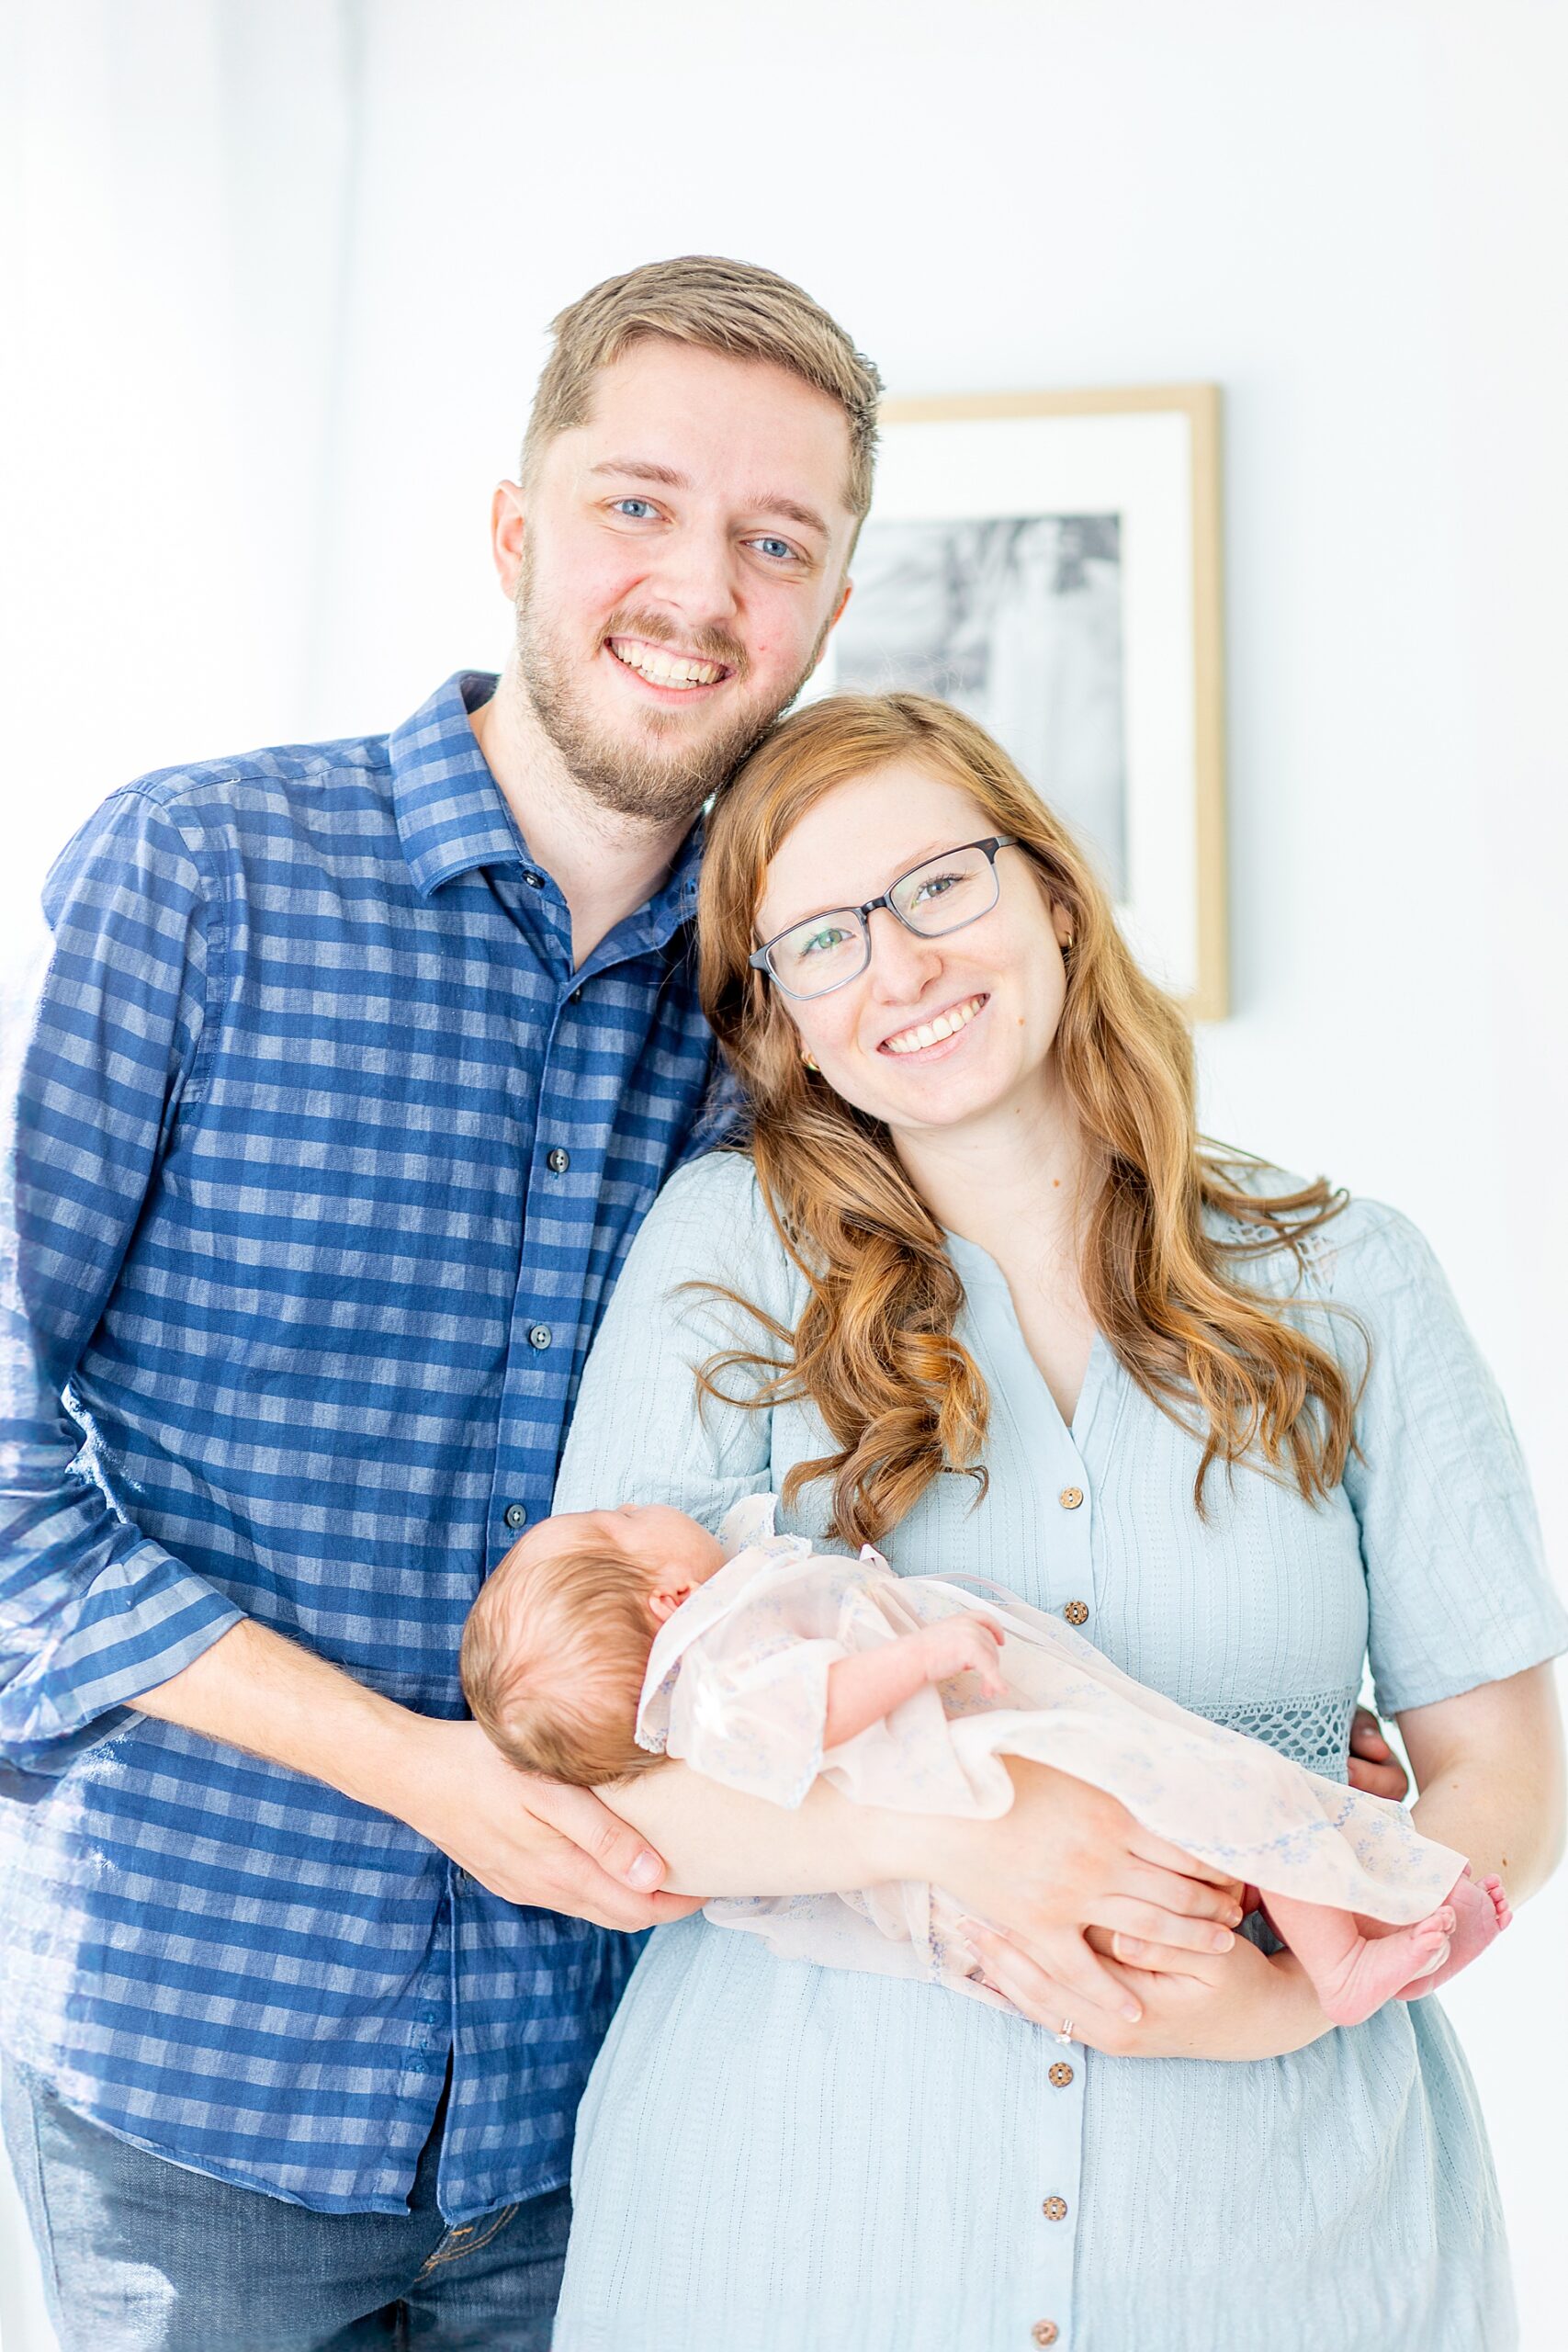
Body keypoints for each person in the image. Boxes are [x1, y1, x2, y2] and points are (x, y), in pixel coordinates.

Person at [0, 254, 886, 2352]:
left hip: (616, 2102)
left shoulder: (797, 994)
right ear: (515, 528)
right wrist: (417, 1766)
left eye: (775, 540)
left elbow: (928, 1412)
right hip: (199, 2079)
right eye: (636, 503)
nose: (695, 587)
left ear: (830, 608)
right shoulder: (196, 875)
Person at [541, 692, 1567, 2350]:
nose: (900, 967)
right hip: (801, 2231)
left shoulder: (1352, 1276)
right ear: (783, 1017)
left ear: (1052, 892)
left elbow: (1507, 1776)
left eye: (940, 887)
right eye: (822, 939)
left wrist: (1280, 2005)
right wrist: (950, 1837)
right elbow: (600, 1777)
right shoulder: (720, 1255)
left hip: (1283, 2231)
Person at [459, 1490, 1509, 2029]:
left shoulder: (713, 1653)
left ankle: (1341, 1934)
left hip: (985, 1800)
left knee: (1224, 1809)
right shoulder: (722, 1674)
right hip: (980, 1771)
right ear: (667, 1602)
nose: (636, 1502)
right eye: (617, 1519)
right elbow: (818, 1708)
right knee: (1224, 1789)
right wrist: (923, 1651)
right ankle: (1341, 1958)